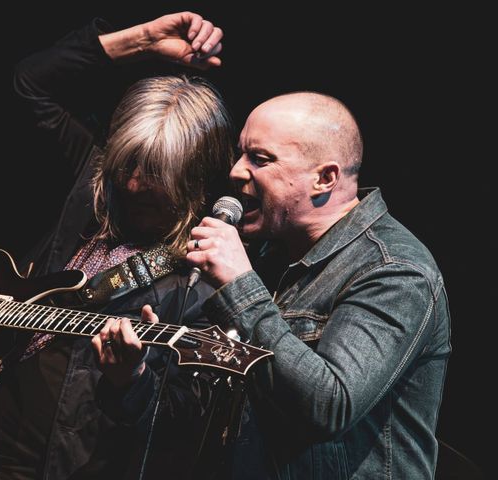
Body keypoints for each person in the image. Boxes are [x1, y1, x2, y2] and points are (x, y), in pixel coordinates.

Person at [0, 12, 236, 480]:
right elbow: (30, 83)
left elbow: (184, 424)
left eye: (152, 172)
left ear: (194, 177)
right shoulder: (91, 186)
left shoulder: (202, 275)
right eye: (126, 162)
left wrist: (132, 380)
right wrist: (141, 41)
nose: (130, 183)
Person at [177, 92, 452, 478]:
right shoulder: (270, 256)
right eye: (240, 154)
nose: (237, 171)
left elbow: (328, 406)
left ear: (325, 178)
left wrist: (242, 287)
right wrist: (133, 382)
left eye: (260, 158)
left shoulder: (396, 271)